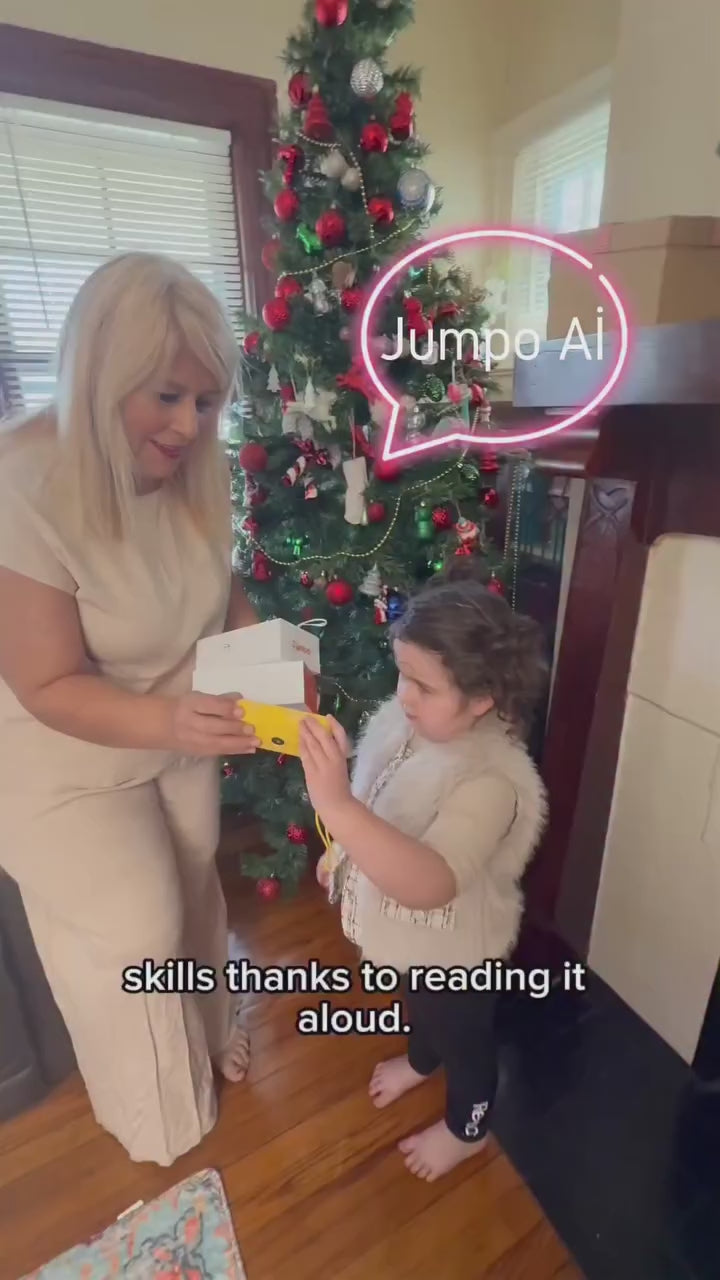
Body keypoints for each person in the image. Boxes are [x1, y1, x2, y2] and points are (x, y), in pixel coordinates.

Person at [0, 253, 261, 1166]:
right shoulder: (23, 485)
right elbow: (47, 685)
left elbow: (224, 590)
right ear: (102, 377)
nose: (190, 425)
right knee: (134, 927)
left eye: (208, 402)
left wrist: (263, 657)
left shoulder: (194, 464)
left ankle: (208, 1024)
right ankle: (156, 1110)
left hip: (173, 724)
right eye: (167, 397)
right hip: (57, 752)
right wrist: (171, 723)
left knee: (191, 883)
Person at [299, 561, 548, 1182]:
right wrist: (341, 852)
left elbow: (430, 881)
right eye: (402, 674)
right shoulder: (407, 725)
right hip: (412, 942)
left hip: (456, 952)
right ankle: (420, 1059)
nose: (404, 695)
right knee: (419, 1002)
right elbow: (380, 800)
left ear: (482, 699)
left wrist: (337, 808)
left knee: (461, 1034)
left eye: (424, 686)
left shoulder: (491, 782)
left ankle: (468, 1128)